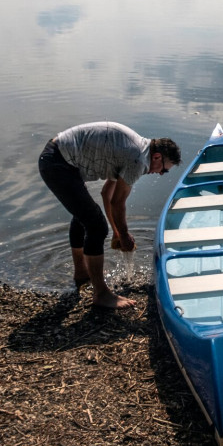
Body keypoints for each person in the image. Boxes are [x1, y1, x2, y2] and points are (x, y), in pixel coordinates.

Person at [38, 122, 180, 309]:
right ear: (157, 156)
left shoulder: (136, 150)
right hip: (58, 163)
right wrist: (124, 235)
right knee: (96, 225)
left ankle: (82, 273)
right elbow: (117, 203)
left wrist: (116, 231)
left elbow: (107, 194)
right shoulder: (138, 160)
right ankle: (101, 294)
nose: (160, 174)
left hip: (59, 158)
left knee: (84, 215)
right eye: (164, 169)